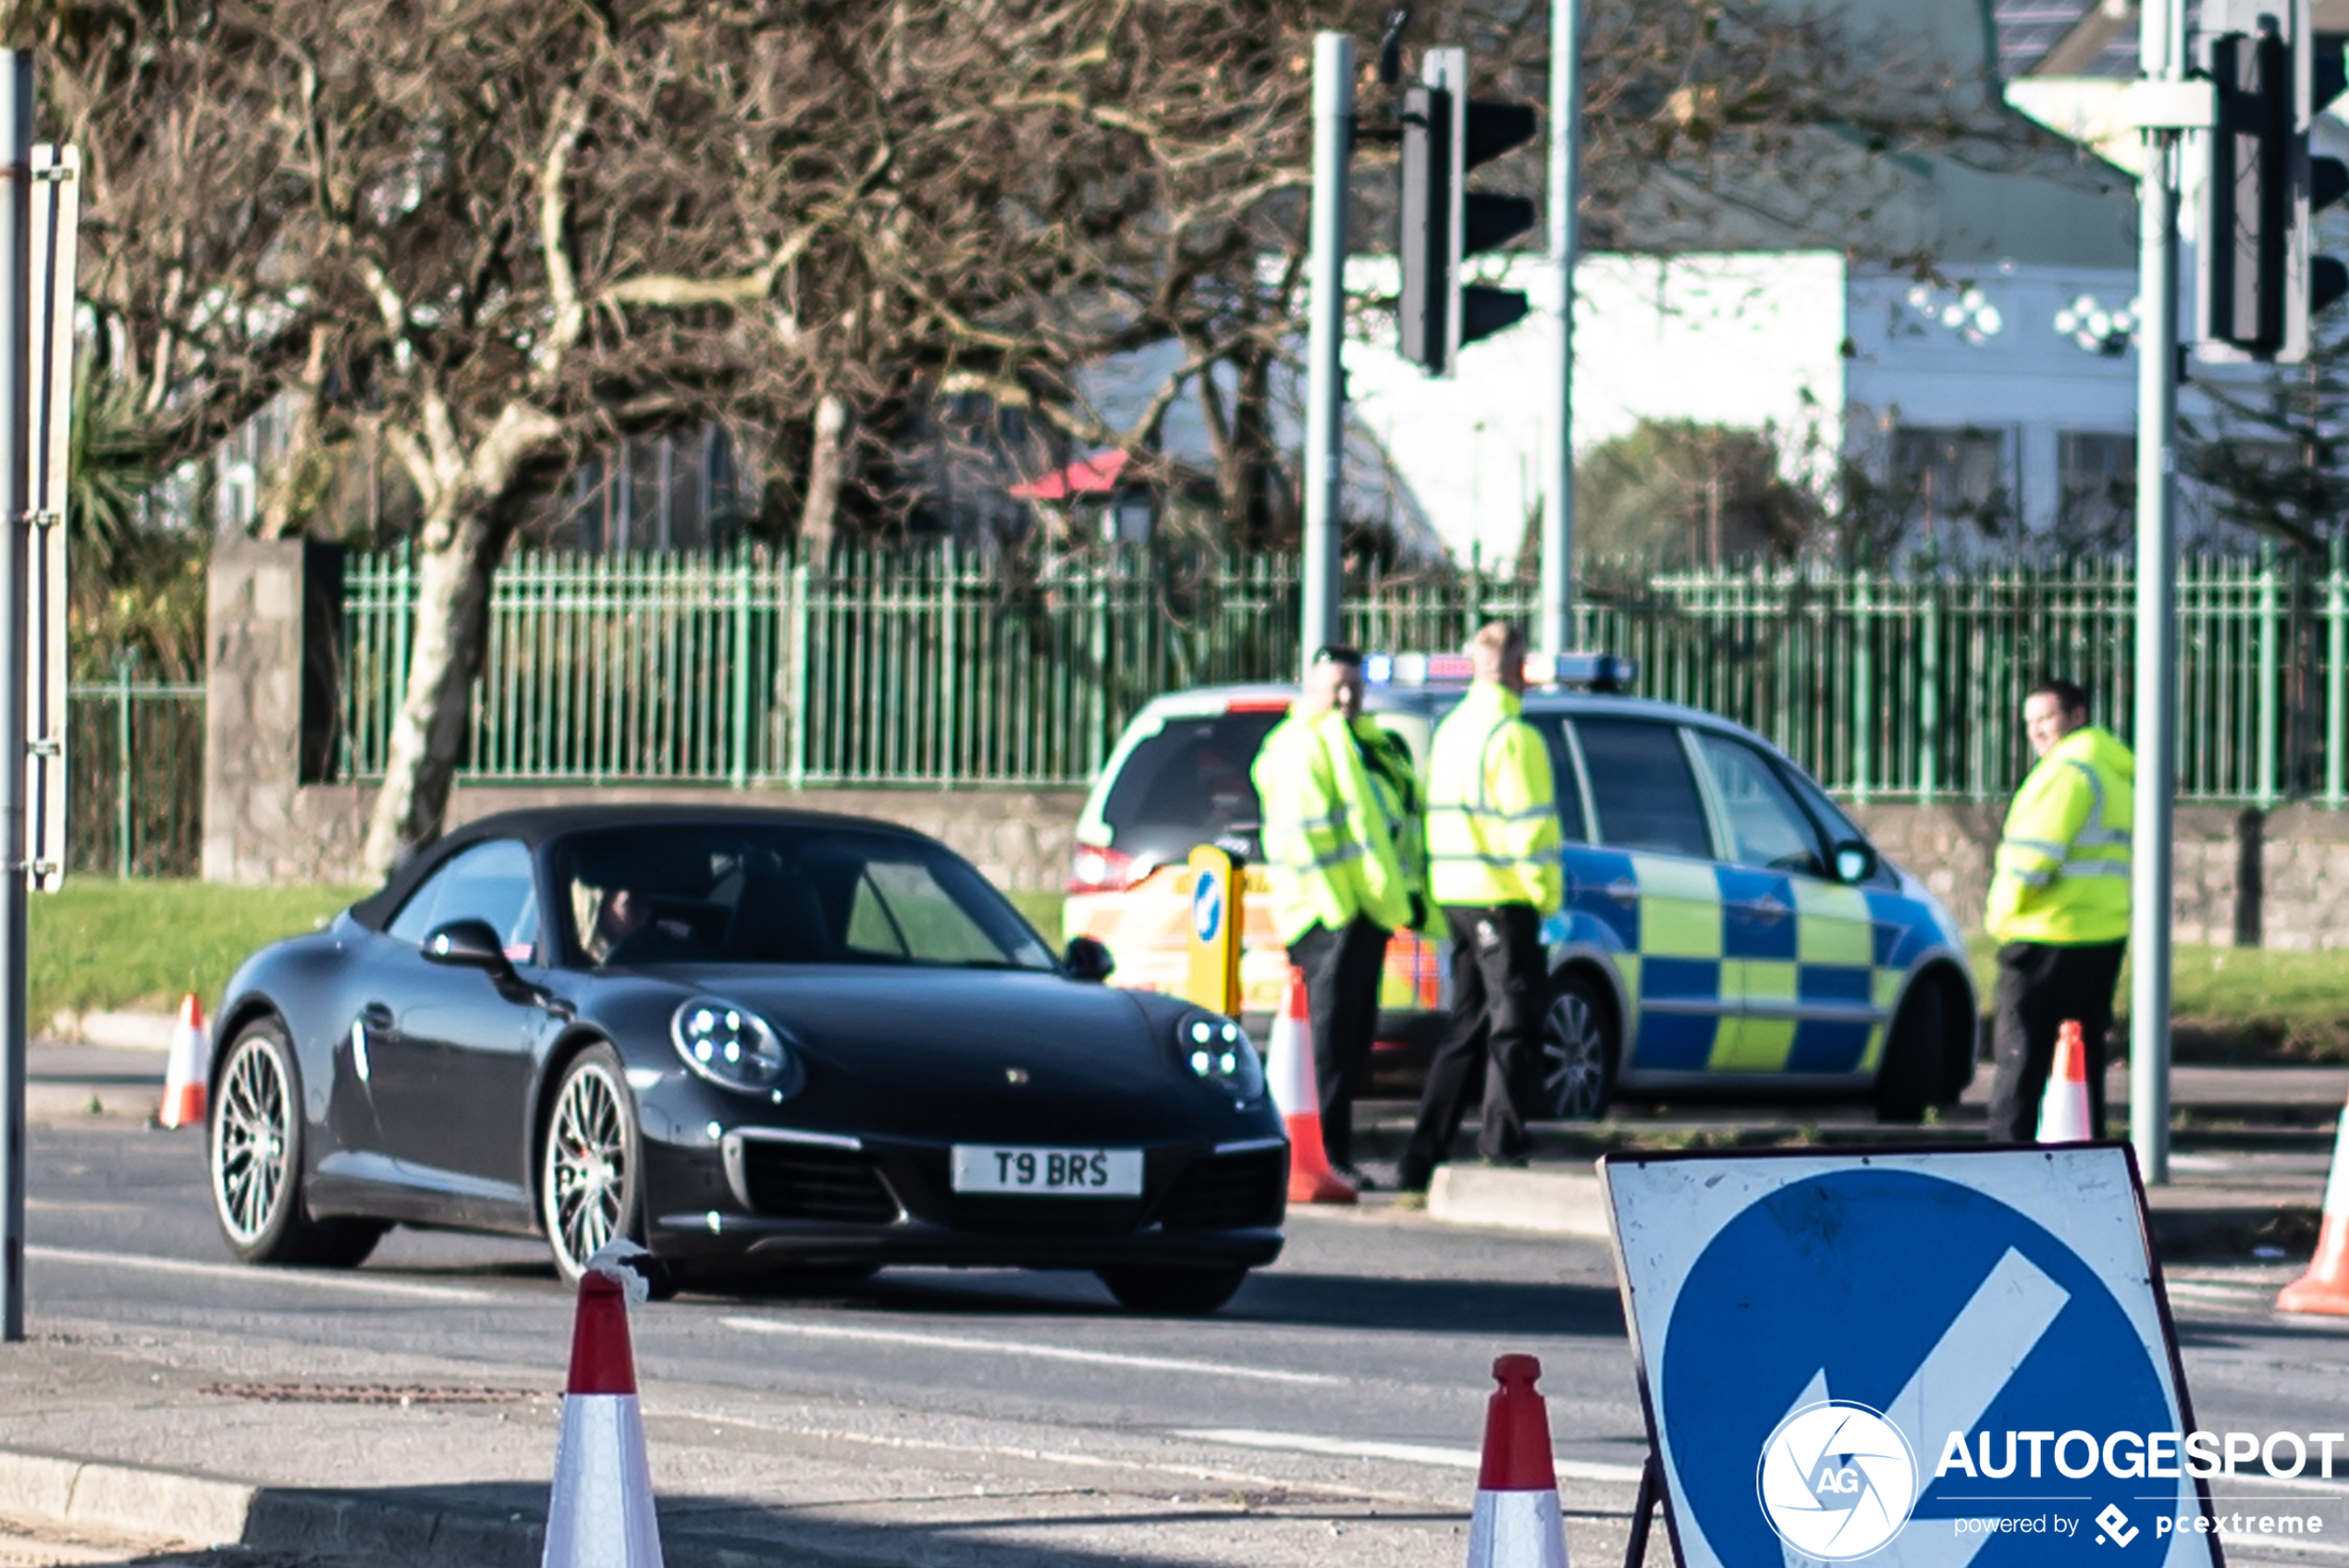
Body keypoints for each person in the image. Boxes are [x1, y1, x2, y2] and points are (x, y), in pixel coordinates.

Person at [1397, 622, 1562, 1195]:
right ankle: (1503, 1140)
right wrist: (1546, 896)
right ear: (1518, 667)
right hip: (1503, 894)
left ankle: (1423, 1154)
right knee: (1513, 1021)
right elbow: (1530, 830)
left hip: (1457, 894)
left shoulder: (1453, 730)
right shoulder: (1514, 736)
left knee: (1465, 1024)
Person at [1251, 645, 1417, 1187]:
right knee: (1328, 1046)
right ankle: (1323, 1158)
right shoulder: (1301, 746)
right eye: (1335, 689)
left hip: (1362, 914)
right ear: (1310, 686)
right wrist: (1341, 914)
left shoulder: (1365, 745)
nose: (1346, 699)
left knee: (1349, 1043)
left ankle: (1334, 1156)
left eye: (1354, 689)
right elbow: (1310, 842)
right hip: (1327, 918)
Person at [1985, 677, 2134, 1142]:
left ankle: (2006, 1165)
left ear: (2077, 715)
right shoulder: (2114, 771)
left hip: (2043, 933)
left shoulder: (2067, 772)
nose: (2037, 731)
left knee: (2020, 1059)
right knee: (2080, 1062)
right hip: (2100, 933)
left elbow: (2032, 859)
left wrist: (2003, 917)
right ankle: (2080, 1157)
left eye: (2046, 718)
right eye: (2030, 722)